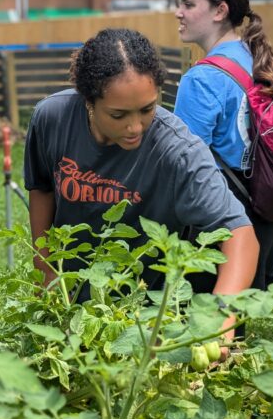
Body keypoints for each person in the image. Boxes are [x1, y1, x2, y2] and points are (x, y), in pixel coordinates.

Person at [24, 28, 258, 340]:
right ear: (88, 102)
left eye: (147, 109)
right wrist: (47, 269)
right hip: (72, 302)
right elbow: (42, 187)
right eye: (118, 115)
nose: (135, 127)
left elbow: (241, 234)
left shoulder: (178, 152)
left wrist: (221, 320)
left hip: (145, 316)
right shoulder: (52, 118)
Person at [173, 0, 273, 291]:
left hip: (220, 226)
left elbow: (184, 165)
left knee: (211, 331)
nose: (178, 12)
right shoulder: (262, 62)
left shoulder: (201, 78)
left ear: (220, 10)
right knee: (239, 331)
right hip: (266, 217)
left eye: (188, 4)